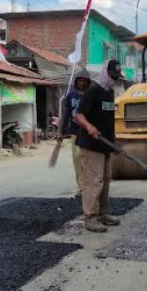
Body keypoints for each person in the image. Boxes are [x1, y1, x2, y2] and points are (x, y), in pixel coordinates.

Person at [73, 59, 124, 232]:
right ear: (105, 72)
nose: (114, 80)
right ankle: (90, 217)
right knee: (93, 181)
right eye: (112, 76)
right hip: (91, 145)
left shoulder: (109, 93)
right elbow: (78, 115)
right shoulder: (93, 90)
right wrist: (89, 127)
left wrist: (114, 140)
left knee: (105, 180)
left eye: (116, 77)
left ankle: (102, 213)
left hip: (105, 144)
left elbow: (109, 120)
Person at [57, 68, 91, 198]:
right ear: (76, 81)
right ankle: (81, 188)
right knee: (77, 160)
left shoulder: (90, 95)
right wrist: (60, 131)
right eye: (80, 80)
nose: (82, 83)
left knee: (86, 160)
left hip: (87, 133)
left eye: (85, 81)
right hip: (75, 133)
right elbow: (65, 115)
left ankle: (89, 186)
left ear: (88, 82)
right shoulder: (71, 96)